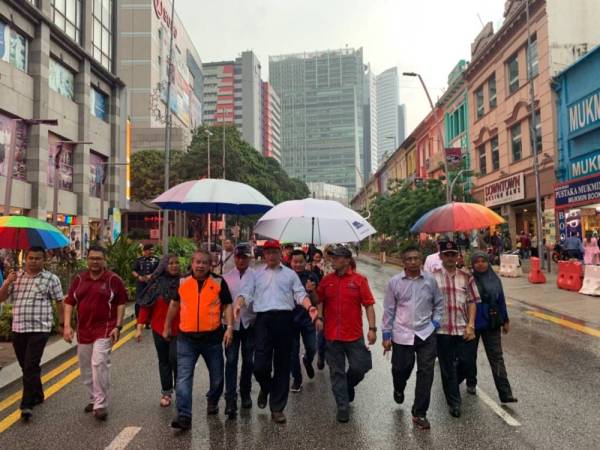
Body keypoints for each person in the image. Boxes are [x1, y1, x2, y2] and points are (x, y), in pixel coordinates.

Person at [234, 240, 317, 424]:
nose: (271, 255)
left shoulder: (290, 275)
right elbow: (246, 293)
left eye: (274, 252)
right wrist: (239, 304)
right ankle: (266, 387)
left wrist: (309, 307)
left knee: (282, 365)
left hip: (284, 321)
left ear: (280, 254)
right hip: (263, 321)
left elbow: (300, 294)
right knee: (260, 366)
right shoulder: (256, 275)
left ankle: (277, 408)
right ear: (263, 254)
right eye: (268, 252)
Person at [164, 250, 234, 430]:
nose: (201, 265)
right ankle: (184, 416)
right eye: (198, 262)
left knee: (217, 377)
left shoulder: (218, 282)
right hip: (186, 339)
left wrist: (229, 328)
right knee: (183, 377)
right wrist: (166, 327)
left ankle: (213, 399)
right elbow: (174, 304)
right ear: (192, 263)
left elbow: (227, 305)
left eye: (205, 262)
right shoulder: (182, 282)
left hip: (212, 339)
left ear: (210, 265)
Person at [382, 245, 444, 430]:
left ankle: (419, 413)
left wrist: (435, 323)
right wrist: (386, 335)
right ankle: (399, 387)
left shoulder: (430, 281)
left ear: (421, 260)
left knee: (426, 373)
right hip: (402, 334)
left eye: (416, 258)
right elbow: (389, 310)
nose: (413, 262)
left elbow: (439, 304)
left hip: (426, 334)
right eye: (409, 259)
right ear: (403, 261)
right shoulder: (395, 282)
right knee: (401, 369)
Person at [63, 245, 127, 421]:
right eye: (92, 258)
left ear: (104, 260)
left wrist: (118, 326)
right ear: (87, 259)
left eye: (99, 258)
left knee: (99, 363)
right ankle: (94, 397)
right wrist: (67, 326)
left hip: (105, 328)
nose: (95, 262)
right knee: (85, 368)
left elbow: (121, 302)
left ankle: (100, 404)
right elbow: (69, 302)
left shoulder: (113, 280)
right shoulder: (79, 279)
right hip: (84, 330)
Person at [0, 247, 64, 421]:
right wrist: (7, 282)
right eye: (30, 258)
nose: (33, 261)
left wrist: (62, 323)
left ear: (44, 260)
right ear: (25, 259)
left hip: (39, 329)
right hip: (18, 328)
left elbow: (59, 302)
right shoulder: (16, 277)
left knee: (30, 365)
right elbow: (1, 298)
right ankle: (38, 392)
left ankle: (26, 404)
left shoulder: (51, 279)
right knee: (26, 366)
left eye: (37, 258)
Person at [315, 246, 377, 423]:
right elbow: (318, 299)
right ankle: (342, 405)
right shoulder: (326, 280)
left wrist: (372, 329)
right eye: (332, 257)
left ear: (347, 260)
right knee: (336, 372)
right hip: (332, 335)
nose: (332, 260)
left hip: (354, 334)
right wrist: (318, 313)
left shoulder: (359, 280)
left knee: (361, 367)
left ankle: (348, 385)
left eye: (336, 257)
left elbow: (369, 305)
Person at [430, 240, 479, 418]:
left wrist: (471, 324)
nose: (450, 257)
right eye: (447, 254)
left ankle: (450, 385)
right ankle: (454, 402)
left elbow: (472, 301)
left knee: (468, 364)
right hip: (441, 330)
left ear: (458, 256)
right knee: (447, 367)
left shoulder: (466, 277)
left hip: (462, 329)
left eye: (453, 254)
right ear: (441, 256)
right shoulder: (432, 277)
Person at [461, 252, 518, 404]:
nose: (480, 264)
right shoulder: (467, 279)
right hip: (472, 324)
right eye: (477, 261)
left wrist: (505, 320)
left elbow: (501, 300)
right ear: (472, 264)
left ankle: (505, 393)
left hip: (492, 323)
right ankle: (470, 381)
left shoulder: (495, 279)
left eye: (483, 261)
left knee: (496, 358)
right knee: (469, 357)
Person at [135, 254, 181, 408]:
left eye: (177, 263)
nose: (174, 266)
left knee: (176, 359)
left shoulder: (184, 282)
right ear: (164, 266)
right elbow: (145, 306)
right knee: (164, 361)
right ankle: (166, 392)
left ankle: (181, 390)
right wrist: (139, 327)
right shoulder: (155, 285)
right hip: (158, 329)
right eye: (171, 263)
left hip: (179, 330)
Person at [222, 244, 256, 417]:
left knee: (249, 360)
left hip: (250, 323)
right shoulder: (225, 278)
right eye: (238, 257)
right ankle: (230, 398)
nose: (241, 260)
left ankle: (245, 392)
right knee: (231, 361)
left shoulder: (256, 276)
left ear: (249, 258)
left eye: (244, 257)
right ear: (234, 257)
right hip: (231, 326)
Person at [289, 250, 319, 393]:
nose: (298, 264)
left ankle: (307, 360)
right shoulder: (286, 276)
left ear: (305, 262)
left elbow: (317, 301)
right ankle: (297, 379)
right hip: (290, 321)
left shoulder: (311, 276)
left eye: (301, 262)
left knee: (312, 347)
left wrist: (311, 291)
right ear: (291, 262)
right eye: (295, 262)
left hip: (308, 320)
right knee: (292, 353)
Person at [132, 243, 160, 318]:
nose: (151, 251)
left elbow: (159, 271)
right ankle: (138, 319)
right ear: (145, 251)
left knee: (151, 301)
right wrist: (139, 277)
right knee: (138, 302)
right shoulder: (139, 260)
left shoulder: (156, 260)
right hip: (141, 284)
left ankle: (149, 320)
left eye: (152, 250)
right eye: (150, 250)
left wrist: (152, 276)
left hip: (152, 284)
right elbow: (134, 271)